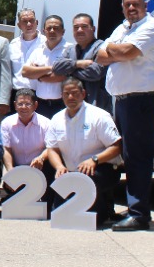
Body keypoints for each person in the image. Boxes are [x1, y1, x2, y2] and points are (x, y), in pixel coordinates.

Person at [97, 0, 154, 231]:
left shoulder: (152, 27)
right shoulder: (123, 28)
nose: (131, 8)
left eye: (135, 3)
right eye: (127, 4)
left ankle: (139, 214)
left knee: (137, 158)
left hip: (141, 101)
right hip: (123, 100)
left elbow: (126, 52)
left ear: (145, 5)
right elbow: (100, 56)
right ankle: (133, 206)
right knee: (125, 157)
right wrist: (117, 51)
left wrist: (114, 50)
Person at [43, 77, 123, 226]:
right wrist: (59, 167)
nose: (70, 97)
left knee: (93, 219)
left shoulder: (99, 116)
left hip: (101, 169)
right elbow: (52, 149)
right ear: (61, 95)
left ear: (83, 94)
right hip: (71, 174)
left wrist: (94, 160)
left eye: (75, 93)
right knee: (60, 215)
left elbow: (117, 146)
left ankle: (104, 210)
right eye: (66, 94)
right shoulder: (56, 119)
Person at [52, 13, 111, 114]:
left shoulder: (102, 47)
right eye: (76, 27)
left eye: (84, 26)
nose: (79, 30)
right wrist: (77, 64)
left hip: (96, 107)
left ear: (93, 29)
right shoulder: (70, 49)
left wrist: (68, 71)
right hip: (73, 109)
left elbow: (96, 73)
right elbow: (56, 68)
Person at [21, 15, 70, 118]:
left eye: (56, 28)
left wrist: (38, 74)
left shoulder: (70, 50)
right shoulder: (38, 50)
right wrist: (52, 69)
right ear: (44, 31)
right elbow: (25, 72)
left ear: (63, 31)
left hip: (62, 105)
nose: (52, 31)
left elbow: (63, 76)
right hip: (40, 105)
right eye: (49, 28)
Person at [0, 88, 51, 172]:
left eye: (28, 104)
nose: (24, 107)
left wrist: (41, 158)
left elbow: (50, 147)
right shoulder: (6, 123)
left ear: (35, 105)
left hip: (40, 167)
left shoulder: (46, 123)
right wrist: (10, 170)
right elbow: (6, 149)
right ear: (15, 105)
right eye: (20, 104)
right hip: (16, 167)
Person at [8, 8, 44, 106]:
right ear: (19, 25)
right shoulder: (13, 45)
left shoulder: (46, 44)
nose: (28, 24)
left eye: (31, 20)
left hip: (38, 95)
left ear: (36, 22)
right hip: (16, 94)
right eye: (24, 21)